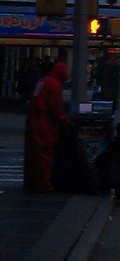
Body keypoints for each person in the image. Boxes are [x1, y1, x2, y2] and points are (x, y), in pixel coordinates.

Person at [24, 60, 71, 193]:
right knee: (44, 155)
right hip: (44, 125)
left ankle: (33, 181)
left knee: (34, 154)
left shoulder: (43, 81)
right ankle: (44, 183)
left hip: (34, 122)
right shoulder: (54, 85)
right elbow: (55, 108)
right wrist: (64, 120)